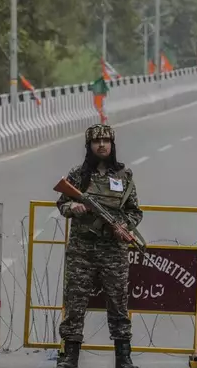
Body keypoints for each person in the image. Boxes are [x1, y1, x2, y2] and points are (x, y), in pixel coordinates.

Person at [55, 123, 143, 368]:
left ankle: (123, 358)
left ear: (112, 145)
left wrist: (123, 226)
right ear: (89, 146)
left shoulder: (124, 176)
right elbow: (61, 203)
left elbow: (135, 212)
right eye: (97, 141)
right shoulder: (78, 175)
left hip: (113, 251)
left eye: (106, 141)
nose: (102, 145)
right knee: (75, 302)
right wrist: (73, 207)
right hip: (81, 249)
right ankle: (70, 356)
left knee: (118, 303)